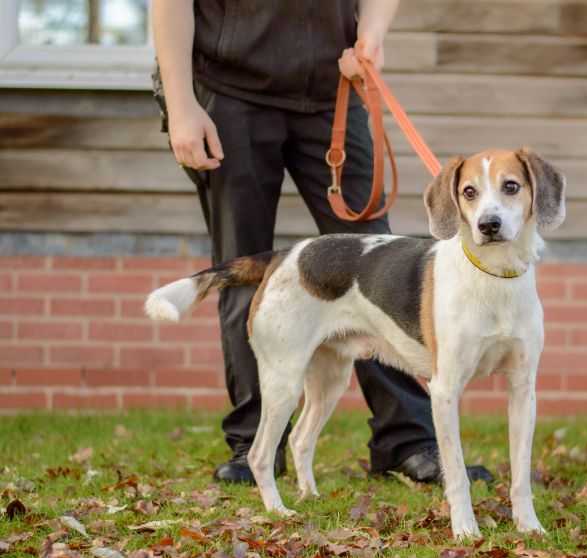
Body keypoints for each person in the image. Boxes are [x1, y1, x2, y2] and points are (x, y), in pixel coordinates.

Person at [151, 0, 493, 485]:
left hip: (333, 91)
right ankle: (254, 440)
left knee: (381, 261)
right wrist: (181, 102)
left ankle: (407, 440)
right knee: (245, 270)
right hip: (230, 93)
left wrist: (371, 33)